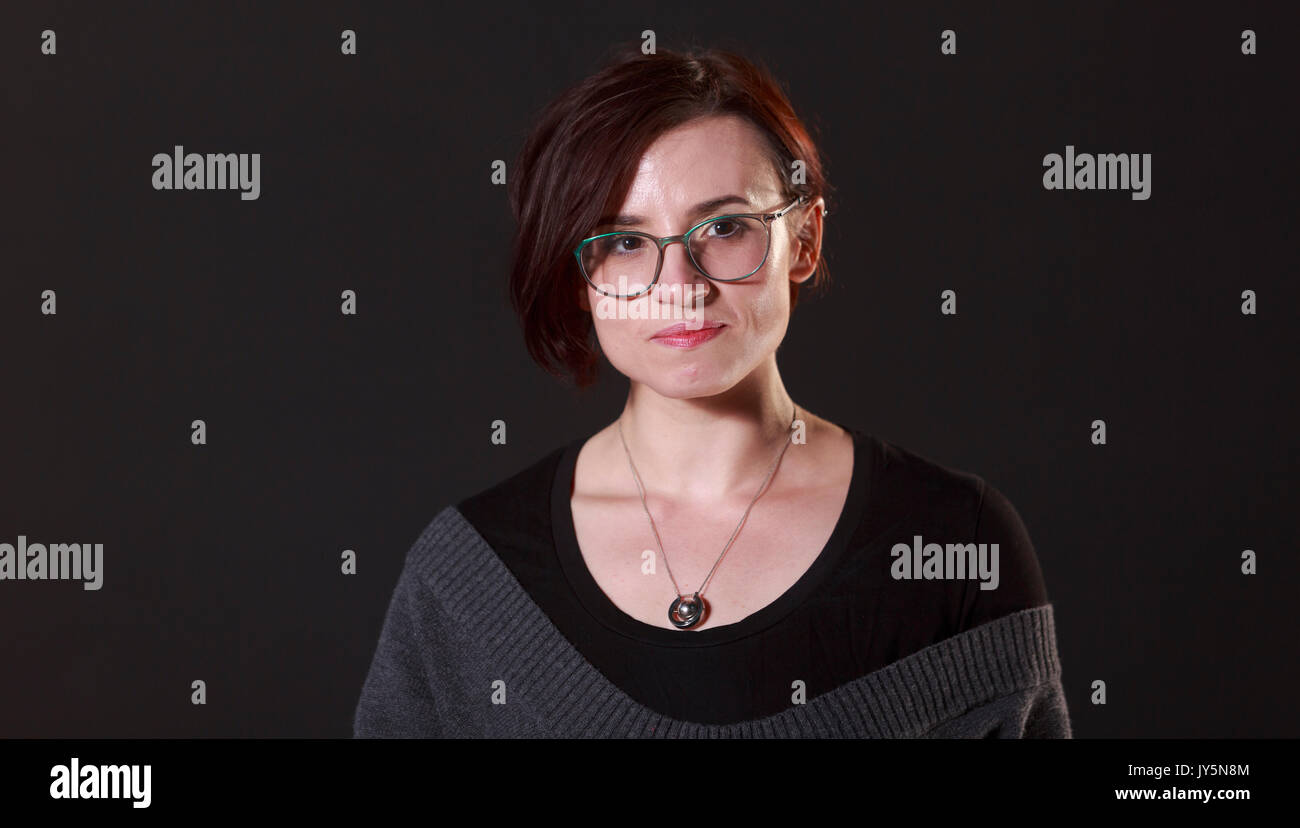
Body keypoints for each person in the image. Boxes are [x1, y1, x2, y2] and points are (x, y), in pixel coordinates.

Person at [353, 44, 1071, 737]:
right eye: (625, 241)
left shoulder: (955, 538)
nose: (681, 288)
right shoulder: (472, 575)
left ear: (807, 240)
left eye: (725, 227)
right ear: (579, 279)